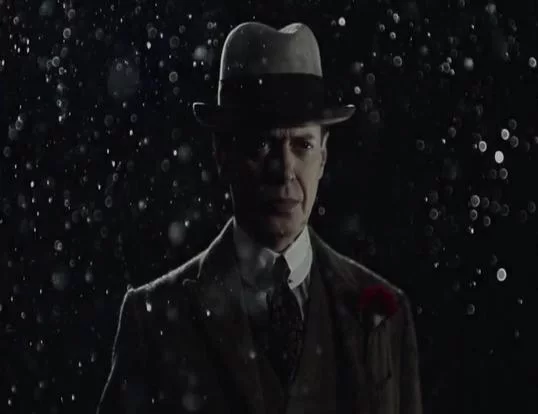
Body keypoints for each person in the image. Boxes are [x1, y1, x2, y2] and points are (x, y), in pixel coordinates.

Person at [97, 21, 423, 414]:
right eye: (260, 144)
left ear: (323, 155)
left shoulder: (385, 315)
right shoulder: (155, 321)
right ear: (222, 153)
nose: (283, 170)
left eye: (301, 145)